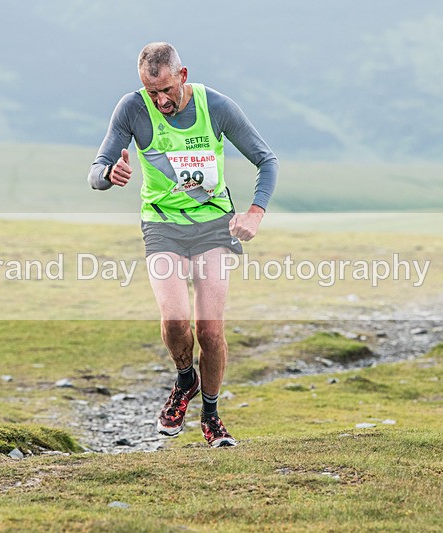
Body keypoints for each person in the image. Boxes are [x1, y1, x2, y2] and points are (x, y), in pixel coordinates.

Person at [88, 42, 277, 447]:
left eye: (166, 91)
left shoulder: (217, 106)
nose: (159, 101)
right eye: (151, 92)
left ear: (182, 76)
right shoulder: (131, 108)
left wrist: (255, 213)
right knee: (176, 322)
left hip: (213, 226)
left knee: (210, 331)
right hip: (163, 225)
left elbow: (267, 160)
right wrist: (110, 173)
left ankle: (210, 416)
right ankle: (184, 380)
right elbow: (96, 171)